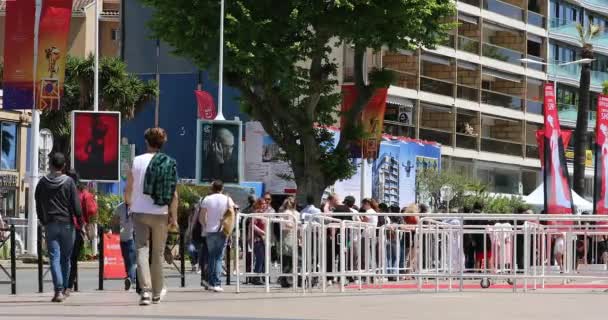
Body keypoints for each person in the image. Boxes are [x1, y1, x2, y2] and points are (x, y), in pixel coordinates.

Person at [126, 128, 178, 306]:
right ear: (162, 144)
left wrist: (128, 203)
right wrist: (174, 217)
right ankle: (157, 292)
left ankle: (145, 292)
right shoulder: (168, 162)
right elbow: (174, 194)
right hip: (160, 213)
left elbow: (130, 188)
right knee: (157, 253)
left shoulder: (137, 161)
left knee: (141, 249)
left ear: (147, 142)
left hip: (139, 212)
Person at [35, 152, 83, 303]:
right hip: (67, 224)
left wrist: (43, 219)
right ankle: (64, 290)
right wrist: (80, 221)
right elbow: (76, 205)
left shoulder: (42, 182)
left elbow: (38, 202)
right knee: (66, 258)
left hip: (50, 224)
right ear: (63, 166)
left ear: (50, 165)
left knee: (54, 258)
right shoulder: (69, 182)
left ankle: (58, 291)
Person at [198, 180, 235, 292]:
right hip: (222, 230)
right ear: (222, 188)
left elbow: (201, 217)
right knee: (218, 257)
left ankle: (210, 281)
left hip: (210, 230)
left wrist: (205, 226)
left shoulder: (207, 199)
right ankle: (216, 283)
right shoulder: (228, 199)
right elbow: (232, 213)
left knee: (211, 256)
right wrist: (230, 228)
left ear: (212, 188)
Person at [65, 170, 98, 296]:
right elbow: (92, 210)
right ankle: (68, 286)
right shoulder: (84, 193)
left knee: (65, 258)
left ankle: (66, 284)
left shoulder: (65, 191)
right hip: (78, 228)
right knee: (72, 259)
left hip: (68, 226)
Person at [112, 201, 137, 291]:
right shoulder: (120, 207)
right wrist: (114, 232)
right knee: (127, 259)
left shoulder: (136, 205)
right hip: (123, 238)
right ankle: (130, 278)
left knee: (132, 260)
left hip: (133, 237)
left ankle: (130, 277)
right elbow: (115, 220)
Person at [277, 197, 300, 288]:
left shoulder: (288, 213)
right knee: (289, 260)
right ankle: (286, 279)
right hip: (289, 236)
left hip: (290, 237)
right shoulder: (288, 213)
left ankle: (286, 279)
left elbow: (285, 225)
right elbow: (286, 225)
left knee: (288, 259)